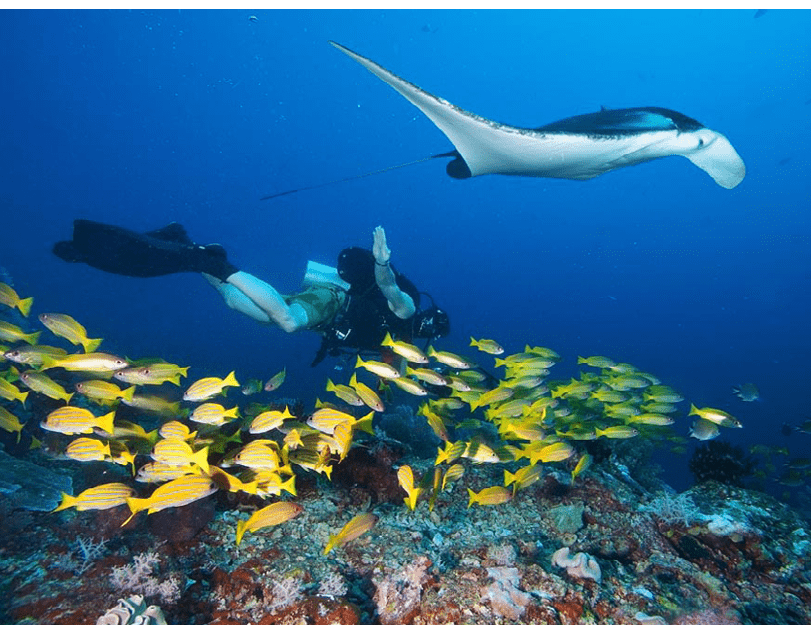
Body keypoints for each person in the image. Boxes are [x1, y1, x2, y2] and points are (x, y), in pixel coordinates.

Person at [53, 220, 450, 365]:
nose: (426, 328)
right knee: (287, 320)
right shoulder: (407, 310)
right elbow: (390, 290)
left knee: (234, 301)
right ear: (428, 319)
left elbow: (384, 362)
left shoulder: (402, 343)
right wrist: (382, 262)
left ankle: (197, 253)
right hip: (332, 302)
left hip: (331, 319)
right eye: (431, 325)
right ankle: (218, 265)